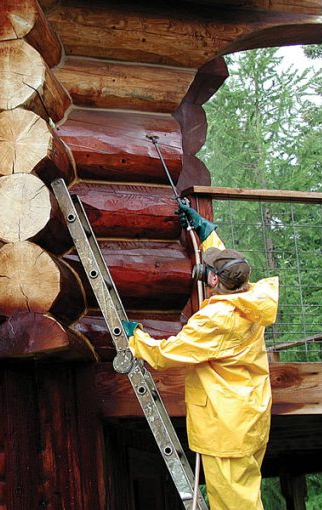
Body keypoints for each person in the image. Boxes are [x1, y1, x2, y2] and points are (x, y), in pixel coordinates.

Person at [121, 202, 279, 510]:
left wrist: (135, 339)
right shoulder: (251, 298)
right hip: (249, 417)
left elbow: (170, 354)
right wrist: (206, 231)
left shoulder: (217, 320)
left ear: (216, 281)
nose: (203, 273)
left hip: (225, 428)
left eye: (208, 271)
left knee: (234, 505)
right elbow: (228, 265)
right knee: (246, 495)